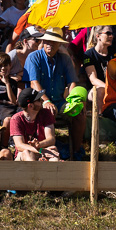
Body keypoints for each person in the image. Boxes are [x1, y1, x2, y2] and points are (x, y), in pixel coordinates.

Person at [24, 27, 85, 160]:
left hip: (60, 101)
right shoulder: (33, 57)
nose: (49, 44)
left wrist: (71, 99)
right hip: (37, 101)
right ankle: (46, 148)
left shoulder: (65, 59)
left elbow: (72, 82)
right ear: (43, 41)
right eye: (47, 41)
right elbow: (34, 83)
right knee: (47, 110)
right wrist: (46, 101)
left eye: (53, 42)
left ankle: (75, 151)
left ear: (60, 44)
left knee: (79, 111)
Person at [10, 88, 60, 161]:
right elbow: (19, 146)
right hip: (24, 154)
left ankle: (53, 171)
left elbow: (51, 139)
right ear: (30, 106)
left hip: (43, 149)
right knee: (27, 153)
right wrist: (39, 151)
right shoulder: (16, 119)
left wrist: (38, 145)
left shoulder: (46, 113)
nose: (42, 101)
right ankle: (33, 172)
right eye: (39, 100)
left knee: (54, 152)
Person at [83, 25, 115, 107]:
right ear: (98, 36)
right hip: (94, 90)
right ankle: (100, 118)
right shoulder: (89, 55)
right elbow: (93, 80)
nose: (111, 36)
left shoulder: (114, 53)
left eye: (111, 33)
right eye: (108, 33)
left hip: (113, 88)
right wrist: (110, 89)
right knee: (100, 91)